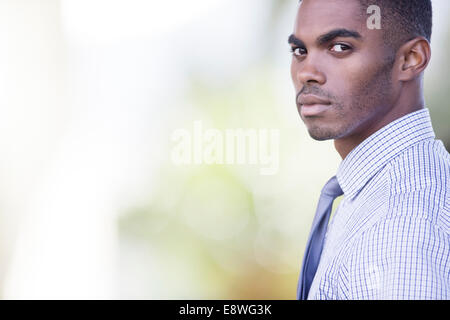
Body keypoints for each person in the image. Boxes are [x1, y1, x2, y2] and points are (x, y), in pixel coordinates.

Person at [288, 0, 449, 299]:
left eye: (339, 47)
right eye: (300, 51)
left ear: (411, 59)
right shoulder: (378, 194)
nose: (306, 73)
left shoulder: (400, 222)